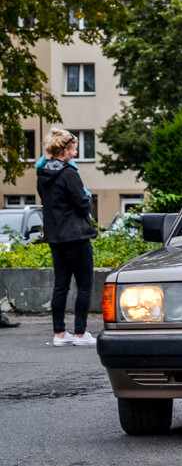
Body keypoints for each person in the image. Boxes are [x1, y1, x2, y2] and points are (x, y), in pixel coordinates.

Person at [36, 128, 98, 346]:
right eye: (73, 150)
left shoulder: (42, 175)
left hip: (55, 237)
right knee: (84, 285)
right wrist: (88, 199)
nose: (74, 154)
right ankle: (80, 334)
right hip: (76, 237)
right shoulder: (69, 174)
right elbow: (83, 205)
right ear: (64, 150)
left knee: (60, 286)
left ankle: (59, 334)